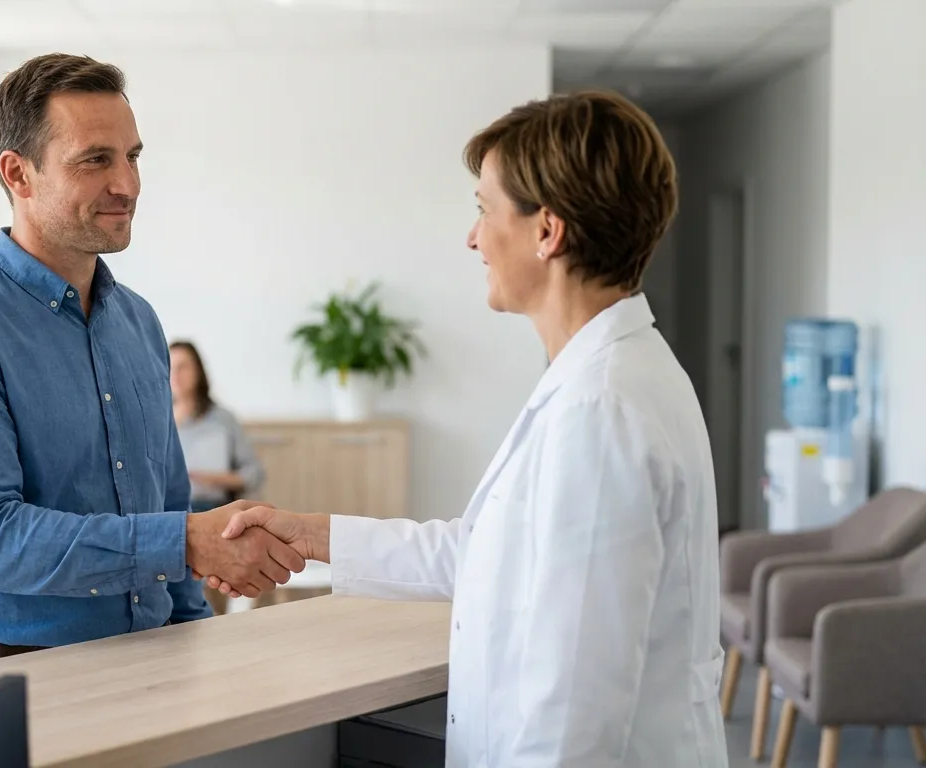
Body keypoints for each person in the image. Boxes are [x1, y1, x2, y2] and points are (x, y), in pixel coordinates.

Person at [207, 90, 728, 767]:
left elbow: (575, 714)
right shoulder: (603, 377)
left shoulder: (600, 412)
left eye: (484, 209)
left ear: (548, 231)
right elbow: (483, 553)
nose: (473, 236)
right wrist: (311, 536)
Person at [0, 53, 303, 670]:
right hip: (15, 674)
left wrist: (194, 637)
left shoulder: (139, 323)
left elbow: (167, 499)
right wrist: (185, 542)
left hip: (155, 658)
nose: (128, 184)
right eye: (95, 160)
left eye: (132, 157)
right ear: (18, 174)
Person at [168, 340, 266, 512]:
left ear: (198, 371)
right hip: (167, 511)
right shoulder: (157, 421)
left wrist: (214, 479)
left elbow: (255, 473)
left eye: (183, 367)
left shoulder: (223, 420)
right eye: (170, 367)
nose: (175, 375)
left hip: (212, 508)